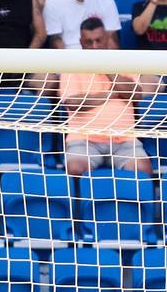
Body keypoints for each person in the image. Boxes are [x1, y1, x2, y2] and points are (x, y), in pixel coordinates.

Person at [60, 18, 159, 176]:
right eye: (89, 42)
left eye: (99, 41)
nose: (94, 47)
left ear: (107, 38)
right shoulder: (72, 65)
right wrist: (111, 93)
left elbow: (135, 94)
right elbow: (73, 103)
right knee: (76, 169)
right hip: (84, 139)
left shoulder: (123, 62)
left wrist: (107, 69)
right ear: (81, 42)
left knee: (143, 170)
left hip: (124, 140)